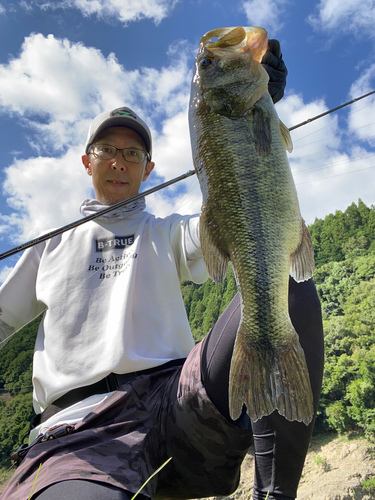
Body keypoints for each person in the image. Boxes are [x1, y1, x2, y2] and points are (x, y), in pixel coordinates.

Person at [0, 41, 323, 500]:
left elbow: (243, 219)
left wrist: (255, 129)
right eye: (107, 148)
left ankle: (274, 494)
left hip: (177, 405)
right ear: (86, 161)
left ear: (148, 168)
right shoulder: (47, 244)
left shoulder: (168, 232)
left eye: (132, 154)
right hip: (77, 431)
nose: (119, 161)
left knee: (287, 280)